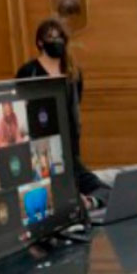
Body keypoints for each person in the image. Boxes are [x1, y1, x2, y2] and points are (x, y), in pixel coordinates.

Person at [16, 18, 110, 208]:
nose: (57, 41)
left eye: (60, 37)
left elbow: (74, 107)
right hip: (41, 151)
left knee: (104, 190)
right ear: (40, 42)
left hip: (69, 151)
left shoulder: (74, 73)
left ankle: (88, 203)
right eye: (51, 37)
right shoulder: (28, 71)